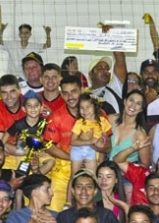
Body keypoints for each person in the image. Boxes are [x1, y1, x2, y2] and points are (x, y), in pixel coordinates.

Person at [45, 74, 111, 211]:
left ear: (82, 90)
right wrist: (74, 158)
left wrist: (94, 146)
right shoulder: (56, 117)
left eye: (74, 91)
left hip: (93, 165)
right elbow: (48, 146)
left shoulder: (100, 115)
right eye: (65, 93)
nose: (70, 97)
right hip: (65, 168)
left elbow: (107, 146)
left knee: (95, 212)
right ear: (61, 95)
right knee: (57, 212)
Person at [56, 171, 122, 223]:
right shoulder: (63, 217)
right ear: (73, 191)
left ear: (95, 191)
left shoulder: (107, 216)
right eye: (79, 187)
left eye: (89, 187)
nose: (83, 191)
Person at [70, 93, 111, 177]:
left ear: (95, 106)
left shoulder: (102, 121)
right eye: (81, 108)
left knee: (94, 176)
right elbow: (73, 141)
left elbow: (105, 139)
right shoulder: (80, 122)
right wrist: (89, 141)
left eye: (88, 107)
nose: (85, 111)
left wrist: (101, 140)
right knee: (74, 176)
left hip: (95, 152)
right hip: (79, 150)